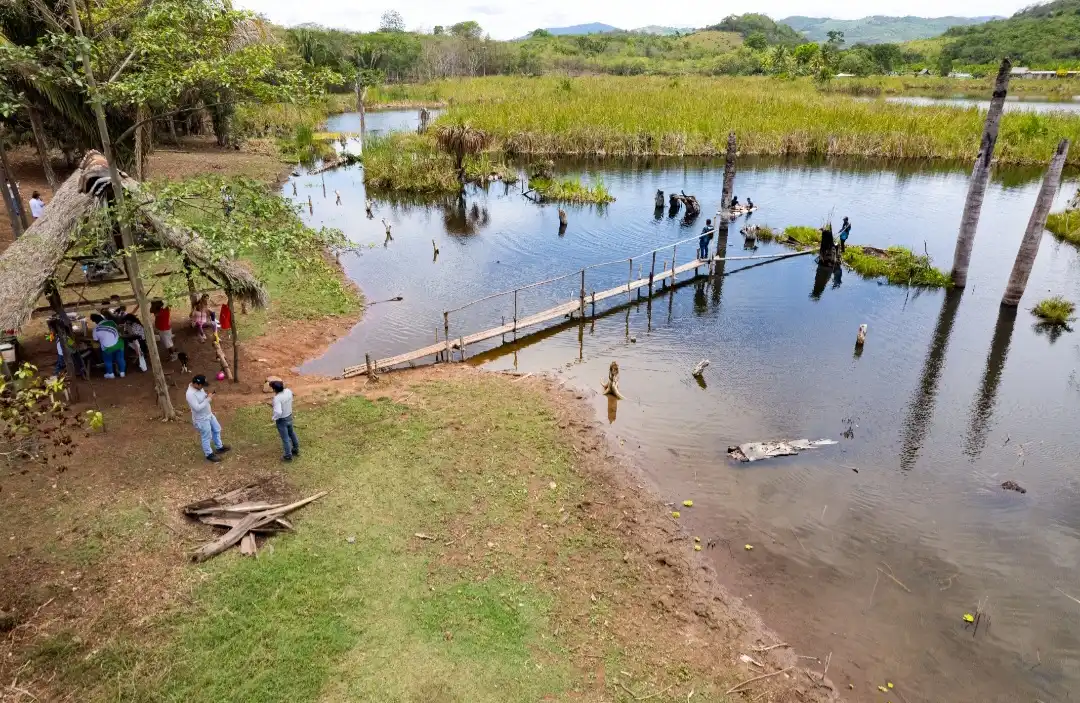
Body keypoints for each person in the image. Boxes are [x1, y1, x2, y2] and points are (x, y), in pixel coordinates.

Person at [186, 374, 230, 462]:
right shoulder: (190, 394)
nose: (203, 387)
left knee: (217, 429)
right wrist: (208, 399)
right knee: (206, 436)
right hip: (201, 419)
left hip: (209, 415)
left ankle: (219, 447)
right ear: (196, 384)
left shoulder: (199, 388)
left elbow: (202, 398)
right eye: (202, 385)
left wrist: (207, 396)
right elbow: (197, 408)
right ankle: (208, 454)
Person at [270, 380, 300, 461]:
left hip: (282, 420)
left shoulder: (277, 398)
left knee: (285, 438)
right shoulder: (288, 391)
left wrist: (274, 417)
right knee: (292, 433)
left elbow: (278, 411)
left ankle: (288, 455)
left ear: (274, 389)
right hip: (289, 416)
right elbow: (291, 398)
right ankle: (296, 449)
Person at [90, 313, 125, 378]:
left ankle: (110, 374)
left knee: (108, 360)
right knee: (120, 358)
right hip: (119, 344)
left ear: (95, 321)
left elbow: (96, 340)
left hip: (107, 348)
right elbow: (117, 330)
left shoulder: (95, 329)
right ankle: (122, 373)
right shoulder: (112, 322)